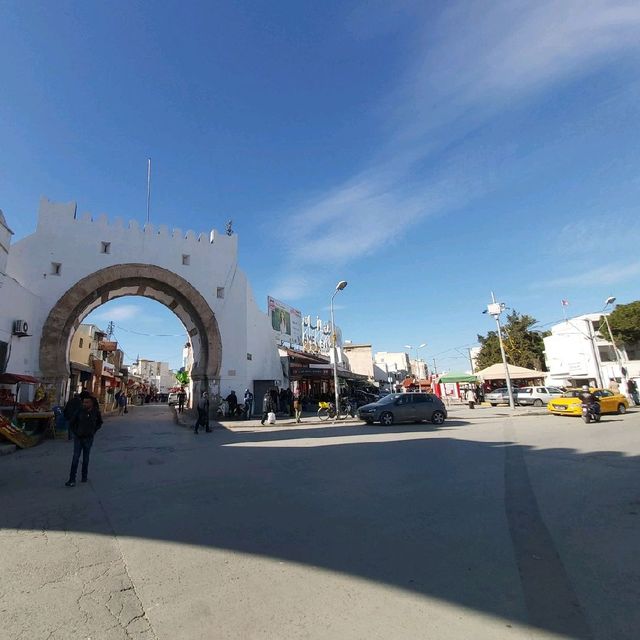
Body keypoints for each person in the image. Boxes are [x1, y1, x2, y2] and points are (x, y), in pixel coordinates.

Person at [65, 392, 103, 487]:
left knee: (86, 458)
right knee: (75, 458)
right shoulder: (79, 411)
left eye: (87, 402)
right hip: (78, 438)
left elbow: (99, 423)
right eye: (84, 402)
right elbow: (72, 423)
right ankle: (72, 479)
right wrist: (76, 433)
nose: (85, 404)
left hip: (88, 439)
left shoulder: (96, 412)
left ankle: (84, 476)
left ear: (91, 403)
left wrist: (93, 431)